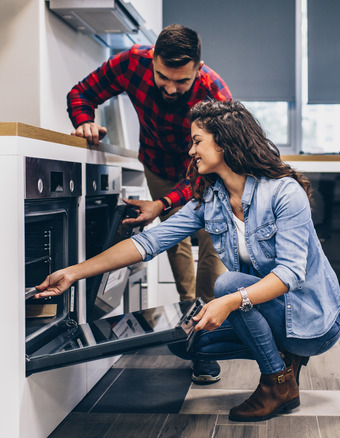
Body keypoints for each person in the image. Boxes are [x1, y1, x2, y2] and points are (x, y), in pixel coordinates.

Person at [36, 100, 340, 422]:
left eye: (197, 141)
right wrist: (73, 273)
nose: (191, 151)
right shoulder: (212, 200)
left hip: (314, 321)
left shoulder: (283, 192)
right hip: (269, 310)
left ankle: (276, 382)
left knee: (227, 284)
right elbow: (149, 241)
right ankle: (281, 356)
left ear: (225, 142)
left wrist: (228, 302)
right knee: (190, 344)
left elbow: (290, 273)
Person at [66, 24, 230, 383]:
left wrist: (163, 202)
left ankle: (205, 338)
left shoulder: (215, 92)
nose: (170, 88)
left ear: (198, 69)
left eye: (181, 81)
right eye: (162, 77)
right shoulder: (131, 63)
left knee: (212, 240)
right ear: (152, 60)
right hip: (157, 164)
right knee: (174, 240)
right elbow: (80, 94)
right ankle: (192, 319)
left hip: (203, 170)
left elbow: (216, 163)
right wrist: (84, 122)